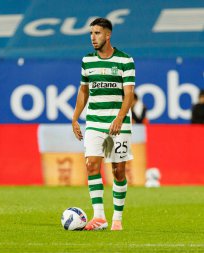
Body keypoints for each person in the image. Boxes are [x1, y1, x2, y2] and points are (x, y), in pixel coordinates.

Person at [72, 18, 135, 231]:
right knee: (91, 164)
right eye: (91, 33)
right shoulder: (87, 61)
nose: (92, 37)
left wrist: (119, 118)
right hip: (95, 123)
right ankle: (99, 217)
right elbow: (83, 90)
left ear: (108, 35)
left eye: (97, 33)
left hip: (119, 125)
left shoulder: (125, 61)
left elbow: (129, 95)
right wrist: (75, 117)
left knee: (118, 170)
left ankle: (117, 218)